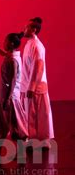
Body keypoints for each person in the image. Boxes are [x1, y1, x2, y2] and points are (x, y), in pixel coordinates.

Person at [21, 17, 54, 148]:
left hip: (35, 86)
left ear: (34, 29)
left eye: (27, 27)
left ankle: (37, 140)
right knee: (34, 113)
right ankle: (36, 139)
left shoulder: (37, 46)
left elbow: (38, 66)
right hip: (29, 84)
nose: (24, 29)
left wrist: (32, 87)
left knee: (35, 114)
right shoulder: (30, 43)